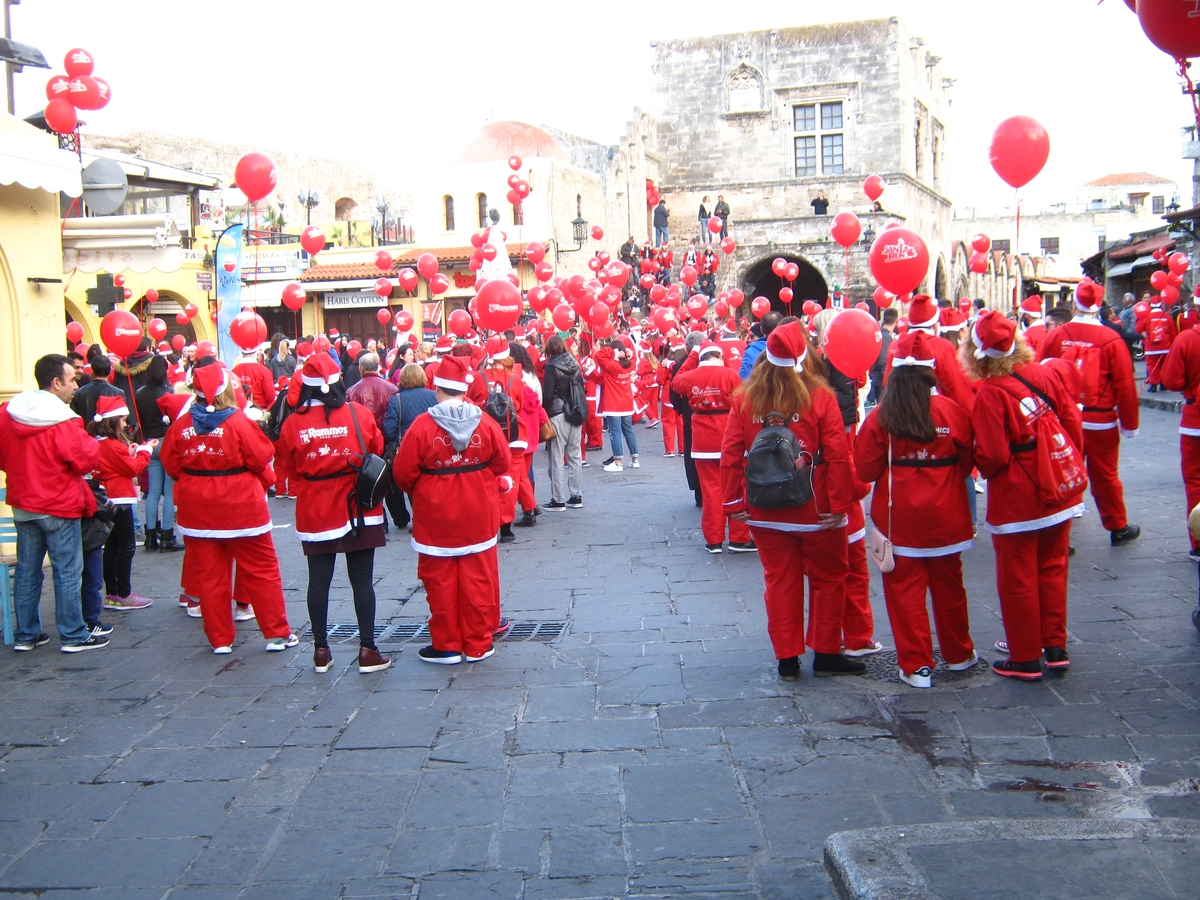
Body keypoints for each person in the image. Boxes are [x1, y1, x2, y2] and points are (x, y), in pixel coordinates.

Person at [720, 322, 863, 680]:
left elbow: (730, 453)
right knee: (829, 578)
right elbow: (838, 454)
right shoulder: (820, 396)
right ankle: (826, 653)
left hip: (763, 508)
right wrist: (840, 504)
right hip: (815, 509)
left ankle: (787, 658)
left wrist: (732, 501)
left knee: (779, 582)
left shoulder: (745, 398)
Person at [855, 332, 978, 688]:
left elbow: (865, 469)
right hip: (947, 515)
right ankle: (959, 654)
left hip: (900, 518)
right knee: (950, 587)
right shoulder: (951, 410)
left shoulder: (881, 416)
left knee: (904, 592)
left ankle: (916, 665)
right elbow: (968, 462)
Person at [966, 311, 1084, 680]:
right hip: (1058, 489)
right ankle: (1055, 646)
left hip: (1018, 495)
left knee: (1017, 577)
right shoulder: (1043, 374)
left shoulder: (990, 393)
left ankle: (1025, 655)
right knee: (1053, 568)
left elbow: (992, 455)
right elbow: (1071, 422)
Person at [160, 359, 296, 654]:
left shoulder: (182, 425)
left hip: (197, 510)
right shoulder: (238, 422)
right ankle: (276, 634)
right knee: (262, 570)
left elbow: (171, 464)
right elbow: (261, 457)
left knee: (210, 577)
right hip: (241, 507)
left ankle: (220, 639)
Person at [393, 354, 513, 665]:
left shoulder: (421, 426)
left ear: (437, 387)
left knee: (439, 582)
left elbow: (403, 474)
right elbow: (502, 462)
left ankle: (446, 645)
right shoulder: (485, 422)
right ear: (464, 389)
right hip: (479, 513)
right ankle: (478, 644)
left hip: (436, 518)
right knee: (479, 581)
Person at [279, 353, 391, 674]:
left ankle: (321, 651)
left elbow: (289, 466)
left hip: (316, 507)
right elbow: (376, 448)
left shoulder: (293, 423)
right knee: (362, 581)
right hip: (358, 505)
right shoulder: (359, 413)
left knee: (318, 581)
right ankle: (368, 650)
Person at [0, 354, 106, 652]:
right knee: (67, 571)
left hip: (23, 503)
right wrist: (91, 441)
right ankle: (73, 634)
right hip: (58, 503)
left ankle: (27, 634)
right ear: (56, 382)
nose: (76, 386)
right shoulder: (62, 420)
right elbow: (84, 460)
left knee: (27, 571)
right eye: (72, 380)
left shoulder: (8, 412)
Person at [1039, 278, 1141, 545]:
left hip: (1062, 418)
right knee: (1106, 476)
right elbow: (1125, 385)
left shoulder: (1056, 336)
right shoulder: (1111, 338)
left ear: (1074, 304)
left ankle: (1059, 536)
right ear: (1099, 305)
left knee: (1062, 474)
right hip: (1100, 420)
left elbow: (1038, 375)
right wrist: (1130, 424)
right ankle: (1117, 526)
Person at [672, 340, 755, 553]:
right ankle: (739, 538)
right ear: (720, 356)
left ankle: (714, 540)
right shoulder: (730, 375)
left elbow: (676, 381)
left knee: (710, 492)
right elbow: (743, 404)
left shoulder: (691, 376)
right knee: (736, 488)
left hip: (702, 441)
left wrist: (693, 354)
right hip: (728, 436)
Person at [88, 394, 155, 612]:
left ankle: (113, 593)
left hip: (108, 497)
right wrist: (145, 451)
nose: (125, 424)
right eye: (123, 419)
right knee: (125, 545)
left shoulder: (98, 442)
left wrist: (131, 453)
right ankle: (124, 593)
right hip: (120, 498)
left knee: (112, 546)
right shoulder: (113, 445)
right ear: (113, 420)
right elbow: (133, 468)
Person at [887, 295, 975, 411]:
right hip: (932, 411)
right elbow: (955, 387)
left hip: (899, 410)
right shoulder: (942, 346)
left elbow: (887, 382)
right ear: (935, 324)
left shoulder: (895, 345)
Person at [381, 363, 438, 530]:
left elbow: (390, 429)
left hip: (408, 447)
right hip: (433, 444)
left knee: (413, 483)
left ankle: (417, 518)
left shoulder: (397, 399)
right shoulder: (434, 396)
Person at [1161, 320, 1200, 560]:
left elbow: (1172, 380)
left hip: (1195, 419)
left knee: (1196, 482)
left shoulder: (1186, 339)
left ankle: (1199, 541)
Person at [134, 356, 180, 551]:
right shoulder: (170, 392)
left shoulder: (139, 393)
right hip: (167, 442)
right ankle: (167, 535)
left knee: (152, 492)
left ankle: (151, 536)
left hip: (149, 443)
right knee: (169, 492)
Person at [541, 335, 585, 511]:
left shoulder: (551, 366)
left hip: (557, 412)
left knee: (557, 456)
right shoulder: (574, 363)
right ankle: (576, 495)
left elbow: (548, 394)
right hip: (575, 411)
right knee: (575, 454)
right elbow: (581, 387)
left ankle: (558, 499)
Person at [594, 337, 639, 471]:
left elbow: (599, 354)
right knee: (629, 431)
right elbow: (634, 358)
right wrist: (629, 352)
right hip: (627, 403)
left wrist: (613, 353)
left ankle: (618, 462)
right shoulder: (629, 364)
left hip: (613, 404)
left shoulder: (610, 365)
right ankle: (635, 460)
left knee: (615, 433)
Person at [346, 352, 397, 432]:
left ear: (361, 368)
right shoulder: (392, 389)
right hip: (385, 432)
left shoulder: (351, 391)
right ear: (377, 367)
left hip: (363, 433)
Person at [1139, 295, 1178, 393]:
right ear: (1161, 305)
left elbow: (1138, 329)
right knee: (1164, 365)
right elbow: (1173, 332)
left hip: (1151, 346)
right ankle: (1163, 384)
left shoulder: (1146, 317)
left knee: (1152, 366)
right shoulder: (1167, 317)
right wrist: (1173, 344)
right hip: (1165, 346)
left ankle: (1153, 384)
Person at [71, 354, 125, 423]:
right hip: (109, 429)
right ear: (110, 370)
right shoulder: (118, 393)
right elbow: (123, 419)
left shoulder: (78, 394)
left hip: (85, 429)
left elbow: (74, 420)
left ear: (92, 370)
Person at [868, 308, 898, 405]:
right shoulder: (886, 337)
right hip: (882, 381)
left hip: (878, 379)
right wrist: (889, 381)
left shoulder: (880, 334)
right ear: (896, 321)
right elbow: (884, 360)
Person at [740, 312, 784, 379]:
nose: (749, 340)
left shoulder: (751, 351)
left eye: (752, 336)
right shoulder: (791, 349)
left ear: (761, 330)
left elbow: (744, 378)